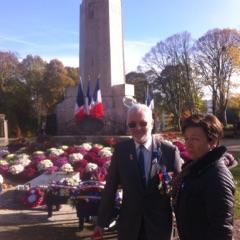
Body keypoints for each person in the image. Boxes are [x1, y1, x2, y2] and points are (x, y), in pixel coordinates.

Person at [93, 103, 182, 240]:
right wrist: (101, 222)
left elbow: (178, 192)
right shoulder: (121, 151)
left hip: (159, 226)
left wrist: (185, 226)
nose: (138, 128)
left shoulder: (169, 151)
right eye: (132, 125)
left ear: (152, 123)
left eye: (143, 123)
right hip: (129, 226)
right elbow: (110, 188)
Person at [172, 113, 235, 240]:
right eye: (186, 139)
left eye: (195, 139)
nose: (188, 145)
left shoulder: (217, 176)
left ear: (213, 142)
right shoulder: (195, 168)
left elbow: (222, 230)